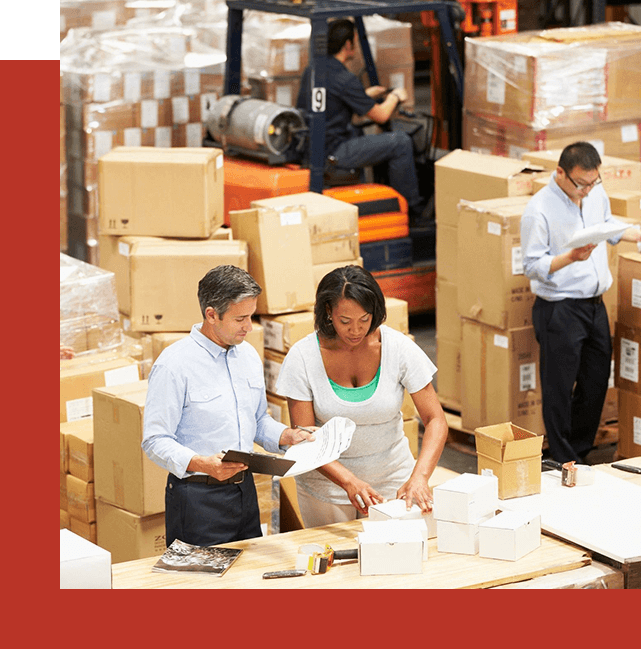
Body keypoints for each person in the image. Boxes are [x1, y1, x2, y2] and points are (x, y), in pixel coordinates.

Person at [142, 265, 315, 547]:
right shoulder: (174, 365)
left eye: (251, 316)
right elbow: (155, 440)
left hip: (244, 492)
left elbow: (257, 420)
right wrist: (202, 464)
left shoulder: (247, 355)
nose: (249, 326)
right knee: (204, 587)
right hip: (197, 498)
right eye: (240, 318)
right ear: (211, 315)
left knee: (248, 578)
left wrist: (287, 436)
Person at [274, 264, 448, 527]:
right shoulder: (303, 357)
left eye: (364, 320)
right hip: (327, 490)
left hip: (393, 481)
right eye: (345, 321)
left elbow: (435, 419)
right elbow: (304, 437)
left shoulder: (398, 348)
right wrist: (348, 481)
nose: (355, 330)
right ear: (328, 313)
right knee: (337, 564)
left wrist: (420, 477)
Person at [521, 141, 641, 465]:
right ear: (560, 174)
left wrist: (640, 236)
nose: (586, 190)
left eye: (592, 182)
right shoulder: (538, 210)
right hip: (560, 308)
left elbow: (606, 227)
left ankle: (578, 452)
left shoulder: (595, 193)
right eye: (580, 184)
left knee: (596, 382)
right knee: (559, 389)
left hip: (594, 305)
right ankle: (563, 459)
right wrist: (570, 257)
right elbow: (532, 265)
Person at [296, 18, 426, 224]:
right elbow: (382, 115)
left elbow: (333, 100)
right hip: (333, 153)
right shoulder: (345, 79)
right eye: (355, 41)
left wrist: (366, 95)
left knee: (359, 132)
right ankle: (412, 212)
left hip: (312, 148)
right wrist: (395, 96)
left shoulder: (313, 70)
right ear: (348, 45)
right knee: (400, 142)